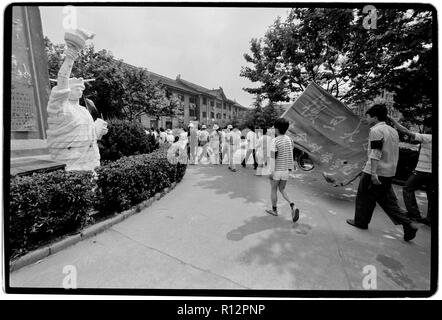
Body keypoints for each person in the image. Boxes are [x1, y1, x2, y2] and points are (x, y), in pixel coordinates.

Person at [346, 104, 418, 241]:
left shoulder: (376, 130)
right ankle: (408, 224)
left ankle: (361, 222)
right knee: (385, 200)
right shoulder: (393, 131)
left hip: (375, 171)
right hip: (389, 172)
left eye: (367, 116)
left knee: (364, 197)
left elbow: (376, 152)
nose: (366, 119)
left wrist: (373, 173)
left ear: (374, 117)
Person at [46, 28, 108, 172]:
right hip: (71, 163)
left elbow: (89, 135)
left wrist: (98, 130)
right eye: (76, 88)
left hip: (90, 161)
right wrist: (71, 56)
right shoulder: (60, 106)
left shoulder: (83, 110)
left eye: (82, 89)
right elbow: (62, 81)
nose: (80, 90)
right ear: (68, 90)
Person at [389, 116, 433, 226]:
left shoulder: (427, 137)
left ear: (429, 127)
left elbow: (405, 131)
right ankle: (430, 219)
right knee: (431, 194)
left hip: (423, 170)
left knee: (408, 188)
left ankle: (414, 214)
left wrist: (392, 119)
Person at [265, 118, 299, 223]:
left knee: (273, 189)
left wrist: (271, 171)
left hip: (277, 170)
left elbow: (272, 157)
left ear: (277, 128)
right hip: (286, 169)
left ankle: (274, 210)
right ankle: (292, 205)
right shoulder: (290, 140)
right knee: (282, 189)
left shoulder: (275, 141)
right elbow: (290, 151)